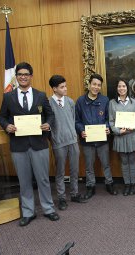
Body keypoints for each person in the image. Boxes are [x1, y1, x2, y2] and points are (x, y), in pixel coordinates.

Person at [0, 62, 59, 226]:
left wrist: (48, 124)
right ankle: (28, 211)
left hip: (39, 144)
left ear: (31, 76)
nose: (23, 77)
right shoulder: (8, 97)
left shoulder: (40, 95)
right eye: (20, 74)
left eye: (26, 74)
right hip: (18, 146)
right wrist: (6, 126)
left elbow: (50, 115)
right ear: (16, 77)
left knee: (43, 179)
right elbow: (1, 117)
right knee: (24, 181)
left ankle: (48, 209)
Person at [75, 73, 117, 199]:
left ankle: (109, 184)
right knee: (89, 166)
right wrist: (81, 130)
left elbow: (108, 119)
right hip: (87, 140)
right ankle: (90, 186)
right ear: (89, 85)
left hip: (102, 140)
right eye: (94, 84)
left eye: (99, 85)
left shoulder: (105, 100)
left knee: (106, 164)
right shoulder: (80, 101)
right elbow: (76, 121)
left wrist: (107, 127)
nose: (96, 87)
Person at [48, 75, 87, 210]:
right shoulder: (48, 104)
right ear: (54, 89)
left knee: (74, 169)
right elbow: (47, 125)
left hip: (72, 141)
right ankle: (61, 198)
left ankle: (74, 194)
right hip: (58, 143)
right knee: (60, 171)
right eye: (62, 87)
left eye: (65, 86)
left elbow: (73, 120)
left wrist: (74, 135)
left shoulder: (70, 102)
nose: (65, 89)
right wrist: (53, 138)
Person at [109, 79, 135, 196]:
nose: (121, 88)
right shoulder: (112, 103)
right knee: (124, 161)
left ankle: (133, 184)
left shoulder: (134, 102)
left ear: (127, 88)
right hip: (120, 137)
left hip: (132, 136)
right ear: (117, 88)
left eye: (124, 86)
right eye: (119, 86)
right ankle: (127, 184)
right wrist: (118, 131)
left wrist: (134, 127)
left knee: (132, 161)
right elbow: (111, 121)